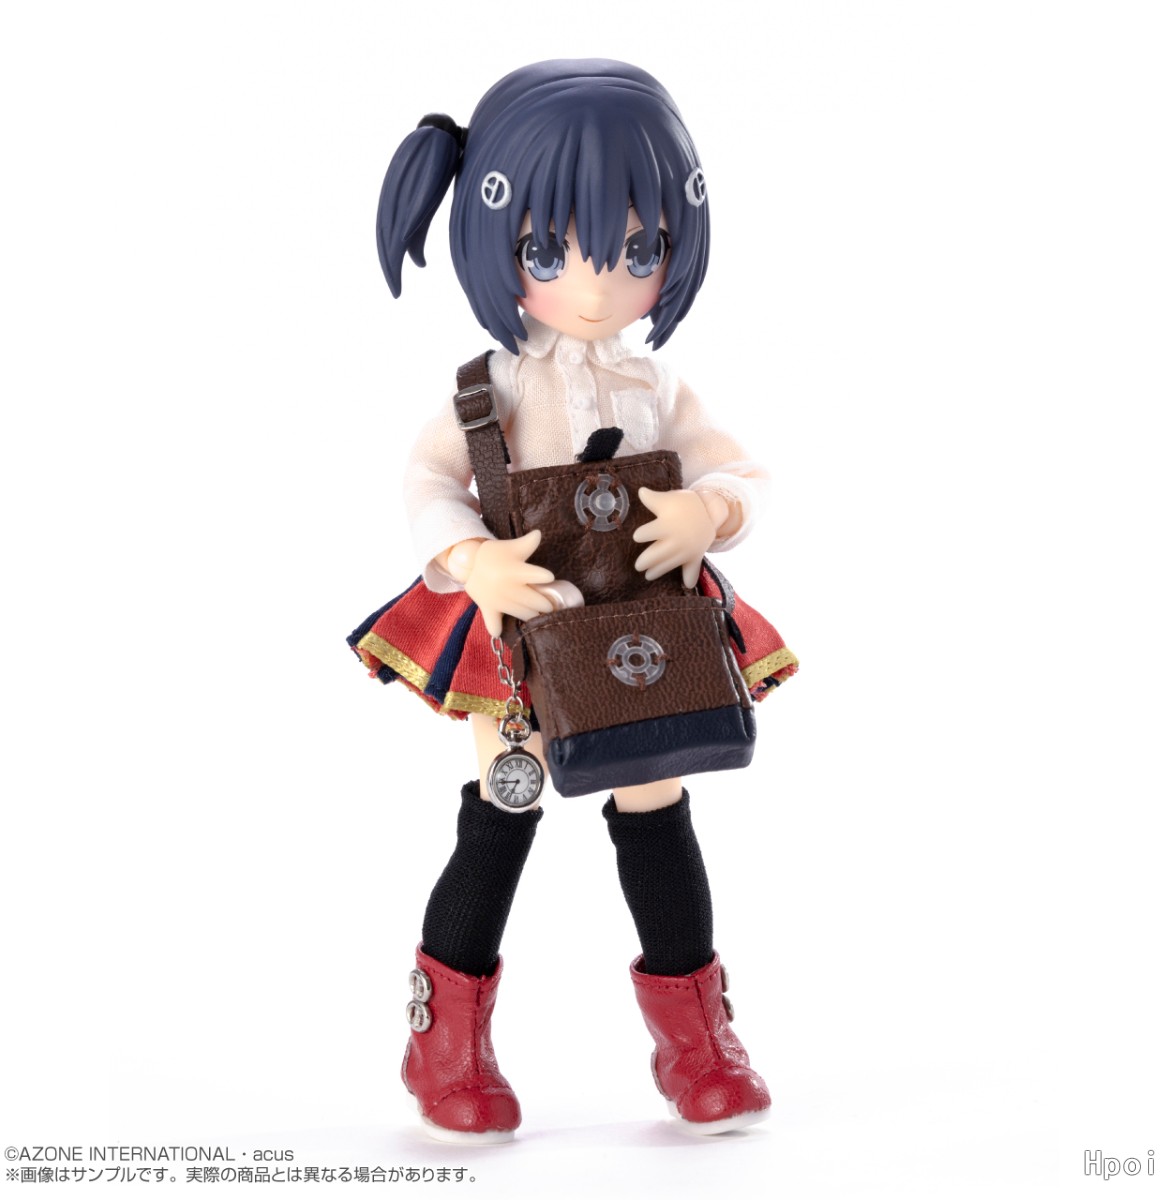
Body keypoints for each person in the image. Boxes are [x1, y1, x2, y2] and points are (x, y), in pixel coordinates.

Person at [349, 59, 797, 1142]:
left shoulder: (657, 386)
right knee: (502, 813)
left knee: (657, 813)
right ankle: (445, 1046)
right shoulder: (490, 389)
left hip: (642, 628)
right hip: (522, 635)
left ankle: (697, 1042)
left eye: (638, 250)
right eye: (551, 252)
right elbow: (425, 482)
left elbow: (742, 470)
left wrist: (709, 512)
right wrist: (473, 560)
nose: (597, 287)